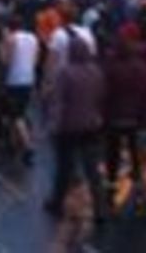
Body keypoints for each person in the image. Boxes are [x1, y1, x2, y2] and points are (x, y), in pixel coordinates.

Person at [44, 14, 107, 222]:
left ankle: (57, 202)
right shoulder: (96, 71)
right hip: (91, 125)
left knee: (64, 166)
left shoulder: (65, 73)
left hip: (68, 126)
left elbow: (59, 102)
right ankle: (100, 209)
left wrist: (54, 124)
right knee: (93, 170)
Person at [102, 36, 146, 197]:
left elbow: (104, 92)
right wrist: (145, 114)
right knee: (134, 149)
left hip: (114, 116)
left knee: (112, 150)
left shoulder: (110, 68)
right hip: (135, 117)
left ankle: (111, 180)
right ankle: (138, 180)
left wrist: (104, 114)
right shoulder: (142, 68)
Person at [2, 16, 40, 164]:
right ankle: (13, 143)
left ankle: (27, 145)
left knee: (16, 114)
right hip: (28, 78)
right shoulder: (32, 38)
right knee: (20, 110)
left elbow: (7, 60)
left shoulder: (11, 39)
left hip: (13, 80)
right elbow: (36, 59)